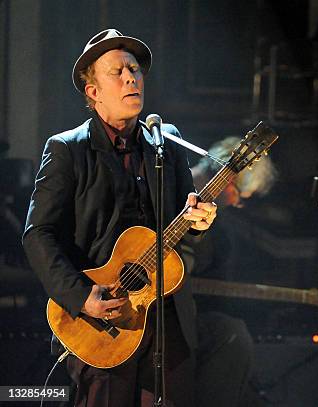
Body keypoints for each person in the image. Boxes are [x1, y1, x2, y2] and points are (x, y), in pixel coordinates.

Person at [22, 29, 217, 406]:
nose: (131, 77)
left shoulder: (167, 141)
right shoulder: (67, 149)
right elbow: (37, 234)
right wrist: (83, 297)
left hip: (167, 322)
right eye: (118, 72)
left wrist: (202, 223)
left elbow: (185, 228)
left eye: (135, 69)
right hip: (102, 323)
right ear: (93, 92)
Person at [190, 136, 278, 406]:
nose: (239, 205)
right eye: (241, 196)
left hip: (178, 312)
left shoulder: (222, 233)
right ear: (227, 181)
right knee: (233, 336)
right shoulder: (163, 182)